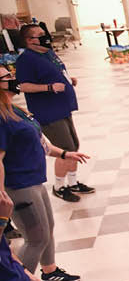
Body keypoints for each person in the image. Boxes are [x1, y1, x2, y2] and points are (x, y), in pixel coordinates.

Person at [0, 69, 84, 281]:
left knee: (48, 228)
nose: (12, 78)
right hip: (19, 186)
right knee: (36, 238)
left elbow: (41, 141)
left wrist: (64, 153)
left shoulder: (16, 110)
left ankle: (50, 270)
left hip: (35, 180)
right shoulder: (1, 118)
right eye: (6, 77)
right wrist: (1, 193)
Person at [15, 24, 93, 201]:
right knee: (65, 149)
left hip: (63, 107)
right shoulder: (26, 59)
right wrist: (49, 87)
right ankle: (59, 186)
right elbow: (23, 85)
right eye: (39, 35)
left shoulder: (47, 52)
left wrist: (67, 80)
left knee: (74, 146)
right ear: (29, 40)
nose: (45, 37)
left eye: (44, 33)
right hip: (48, 112)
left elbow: (58, 71)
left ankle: (73, 182)